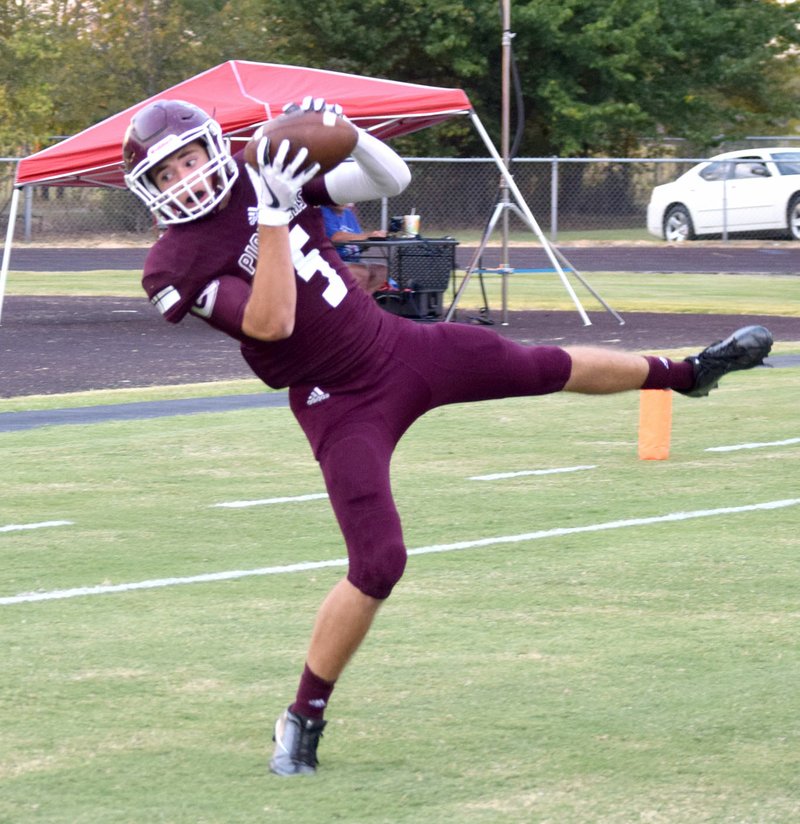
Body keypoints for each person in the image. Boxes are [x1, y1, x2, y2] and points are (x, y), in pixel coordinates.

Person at [122, 96, 773, 777]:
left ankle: (690, 373)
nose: (185, 179)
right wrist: (279, 217)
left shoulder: (263, 168)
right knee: (379, 563)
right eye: (165, 176)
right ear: (150, 192)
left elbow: (389, 181)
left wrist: (350, 131)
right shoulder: (172, 265)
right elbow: (273, 322)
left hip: (400, 347)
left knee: (541, 364)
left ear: (209, 146)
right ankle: (302, 715)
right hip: (338, 402)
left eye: (188, 160)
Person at [320, 202, 389, 293]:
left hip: (354, 260)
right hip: (334, 261)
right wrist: (368, 235)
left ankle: (363, 303)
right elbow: (335, 237)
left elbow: (359, 236)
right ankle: (356, 304)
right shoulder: (323, 211)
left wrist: (374, 238)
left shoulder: (348, 213)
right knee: (362, 273)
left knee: (381, 271)